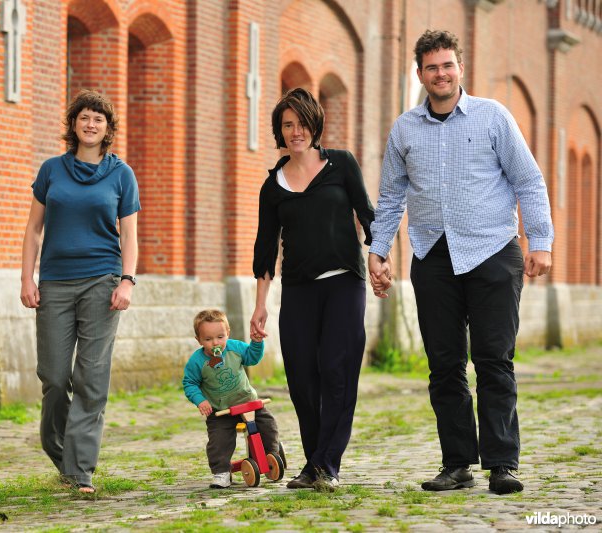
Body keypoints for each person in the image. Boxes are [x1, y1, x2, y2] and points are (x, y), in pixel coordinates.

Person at [368, 30, 554, 495]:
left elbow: (529, 182)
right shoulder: (405, 129)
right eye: (432, 67)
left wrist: (541, 242)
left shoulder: (494, 117)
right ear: (420, 75)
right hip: (432, 255)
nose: (441, 74)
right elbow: (390, 197)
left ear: (460, 69)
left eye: (447, 65)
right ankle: (457, 464)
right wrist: (377, 250)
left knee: (494, 359)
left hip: (493, 251)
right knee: (445, 364)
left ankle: (502, 464)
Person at [250, 88, 375, 492]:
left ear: (314, 125)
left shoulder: (341, 164)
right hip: (300, 290)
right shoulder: (272, 187)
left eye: (302, 123)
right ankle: (314, 461)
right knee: (302, 378)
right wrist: (260, 306)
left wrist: (381, 258)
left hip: (344, 282)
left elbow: (368, 215)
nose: (295, 131)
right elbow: (266, 249)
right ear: (279, 132)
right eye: (288, 125)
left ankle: (326, 465)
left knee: (336, 371)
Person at [20, 89, 140, 494]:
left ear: (108, 129)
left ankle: (80, 469)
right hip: (54, 282)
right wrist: (26, 278)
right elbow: (34, 229)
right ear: (74, 124)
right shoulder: (52, 169)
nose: (90, 124)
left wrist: (127, 280)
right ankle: (59, 450)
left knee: (91, 377)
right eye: (84, 117)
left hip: (102, 283)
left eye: (99, 119)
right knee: (54, 376)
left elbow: (130, 236)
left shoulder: (121, 174)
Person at [183, 309, 281, 489]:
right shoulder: (197, 361)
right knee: (219, 440)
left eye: (220, 337)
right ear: (198, 340)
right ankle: (221, 472)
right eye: (208, 339)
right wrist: (200, 400)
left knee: (268, 424)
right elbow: (189, 383)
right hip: (221, 411)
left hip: (248, 402)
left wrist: (257, 343)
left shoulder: (235, 348)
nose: (215, 343)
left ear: (228, 333)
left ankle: (270, 455)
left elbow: (252, 358)